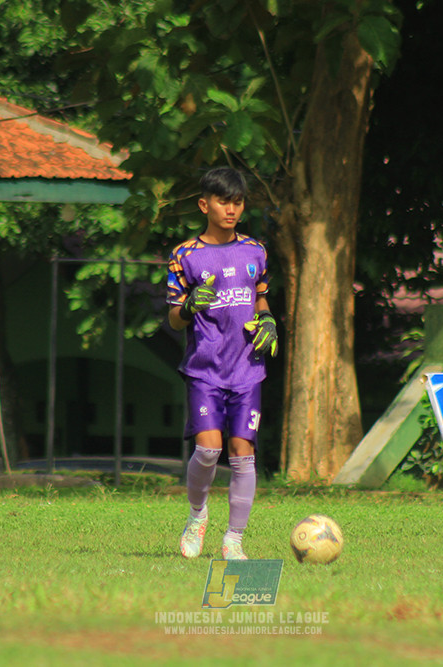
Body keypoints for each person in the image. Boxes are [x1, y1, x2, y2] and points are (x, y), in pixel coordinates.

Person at [166, 166, 278, 560]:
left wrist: (267, 318)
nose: (231, 209)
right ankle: (198, 517)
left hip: (248, 367)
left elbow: (259, 295)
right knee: (210, 450)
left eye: (237, 202)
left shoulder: (255, 251)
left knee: (242, 450)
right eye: (222, 201)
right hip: (205, 369)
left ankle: (234, 538)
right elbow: (174, 317)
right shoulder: (185, 256)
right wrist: (187, 307)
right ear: (204, 204)